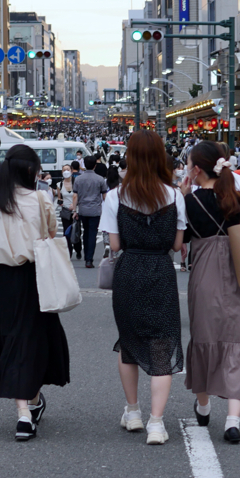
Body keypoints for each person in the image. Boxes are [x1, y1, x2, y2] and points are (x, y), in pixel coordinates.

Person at [0, 145, 70, 442]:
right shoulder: (41, 199)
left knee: (12, 339)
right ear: (32, 171)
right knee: (35, 340)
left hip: (6, 278)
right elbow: (51, 234)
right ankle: (25, 411)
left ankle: (28, 408)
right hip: (37, 277)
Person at [100, 131, 186, 445]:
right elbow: (177, 245)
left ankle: (133, 412)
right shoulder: (175, 195)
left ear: (131, 158)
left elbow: (114, 244)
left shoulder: (115, 196)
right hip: (161, 271)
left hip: (129, 271)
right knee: (161, 345)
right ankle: (157, 423)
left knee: (129, 343)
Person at [181, 141, 240, 445]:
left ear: (196, 169)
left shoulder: (190, 203)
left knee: (204, 339)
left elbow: (182, 239)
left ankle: (203, 405)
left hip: (205, 278)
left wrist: (183, 196)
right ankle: (233, 420)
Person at [72, 155, 108, 268]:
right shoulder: (100, 179)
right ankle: (89, 259)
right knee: (92, 233)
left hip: (83, 209)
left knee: (85, 232)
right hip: (95, 210)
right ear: (95, 166)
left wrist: (74, 210)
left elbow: (75, 196)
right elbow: (104, 196)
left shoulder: (78, 179)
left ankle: (86, 255)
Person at [56, 162, 78, 259]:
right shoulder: (59, 184)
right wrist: (60, 202)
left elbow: (79, 195)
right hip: (65, 211)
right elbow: (59, 198)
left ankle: (78, 248)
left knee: (76, 230)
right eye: (64, 170)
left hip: (75, 210)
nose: (66, 172)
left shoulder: (76, 182)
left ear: (72, 171)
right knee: (66, 232)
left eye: (68, 170)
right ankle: (68, 252)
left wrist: (74, 205)